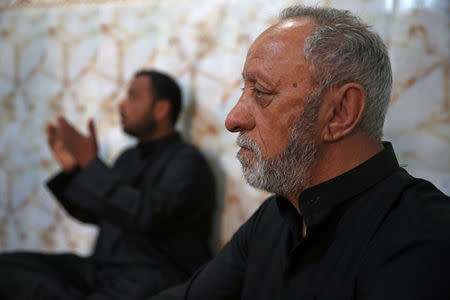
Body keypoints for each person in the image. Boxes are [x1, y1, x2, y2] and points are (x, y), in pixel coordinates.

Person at [152, 5, 450, 300]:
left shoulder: (424, 236)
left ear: (339, 112)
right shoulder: (276, 217)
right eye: (245, 90)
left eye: (262, 92)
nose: (233, 119)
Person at [0, 70, 216, 299]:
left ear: (161, 109)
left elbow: (146, 214)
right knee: (8, 271)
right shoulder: (128, 157)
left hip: (152, 277)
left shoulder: (187, 163)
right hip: (100, 270)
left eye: (133, 96)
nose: (122, 104)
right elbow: (97, 212)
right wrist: (74, 170)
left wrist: (91, 165)